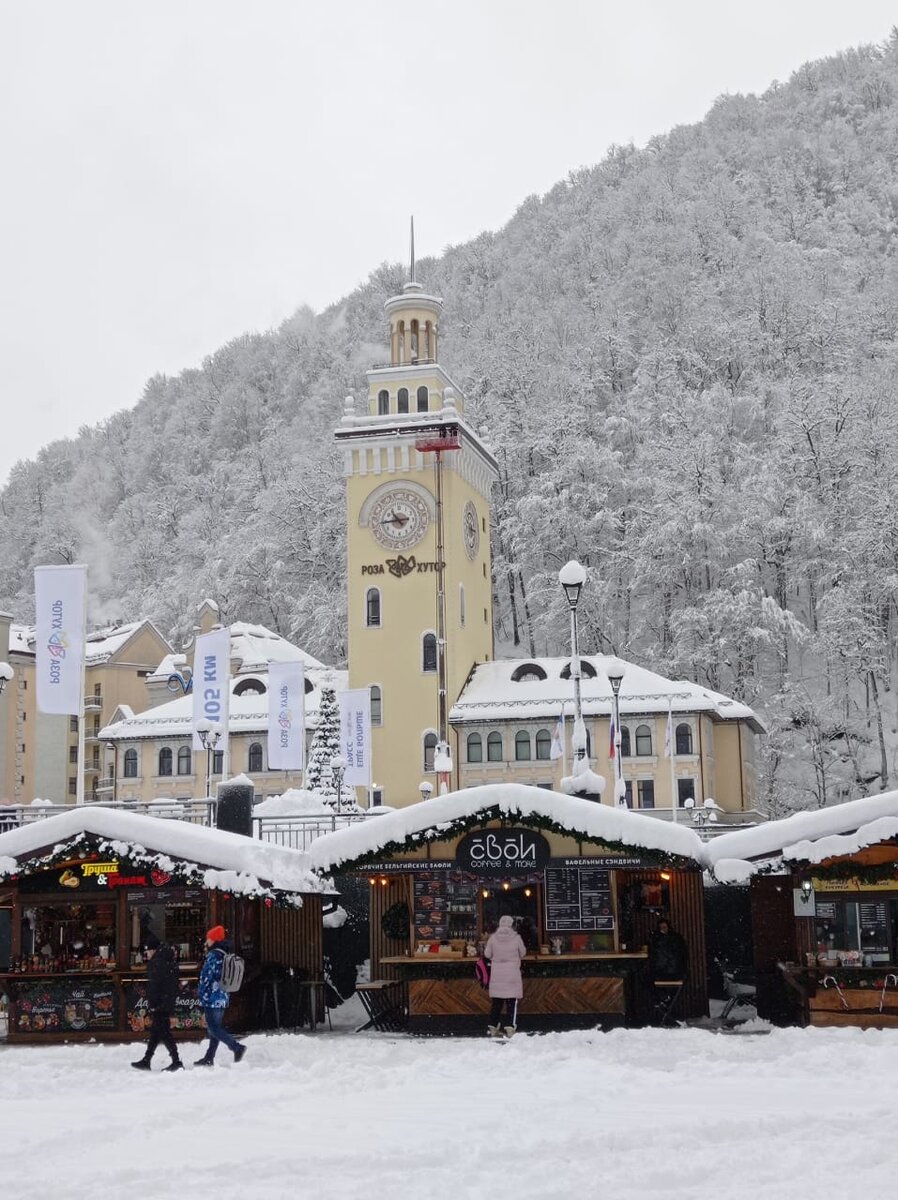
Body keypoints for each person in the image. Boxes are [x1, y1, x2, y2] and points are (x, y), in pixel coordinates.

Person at [131, 932, 183, 1072]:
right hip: (166, 1001)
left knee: (164, 1033)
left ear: (153, 949)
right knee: (156, 1032)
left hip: (160, 1003)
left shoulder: (157, 963)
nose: (146, 954)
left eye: (147, 951)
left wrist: (153, 1005)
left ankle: (177, 1061)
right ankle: (147, 1060)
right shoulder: (168, 959)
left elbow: (155, 986)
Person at [195, 925, 246, 1066]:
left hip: (211, 997)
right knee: (215, 1028)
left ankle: (236, 1047)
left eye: (209, 938)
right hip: (223, 996)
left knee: (213, 1028)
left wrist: (201, 994)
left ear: (214, 939)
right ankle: (209, 1057)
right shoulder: (225, 954)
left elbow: (208, 978)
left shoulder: (213, 956)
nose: (207, 941)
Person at [483, 914, 526, 1037]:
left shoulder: (493, 938)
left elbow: (487, 954)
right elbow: (522, 953)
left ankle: (492, 1026)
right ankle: (510, 1028)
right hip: (512, 974)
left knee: (497, 1002)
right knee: (511, 1001)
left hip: (497, 974)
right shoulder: (516, 938)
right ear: (512, 925)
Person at [647, 918, 688, 1025]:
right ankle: (665, 1003)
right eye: (661, 928)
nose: (663, 930)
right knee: (652, 982)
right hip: (676, 973)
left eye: (664, 927)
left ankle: (662, 1002)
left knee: (648, 981)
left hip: (665, 973)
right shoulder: (676, 938)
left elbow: (657, 959)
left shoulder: (658, 939)